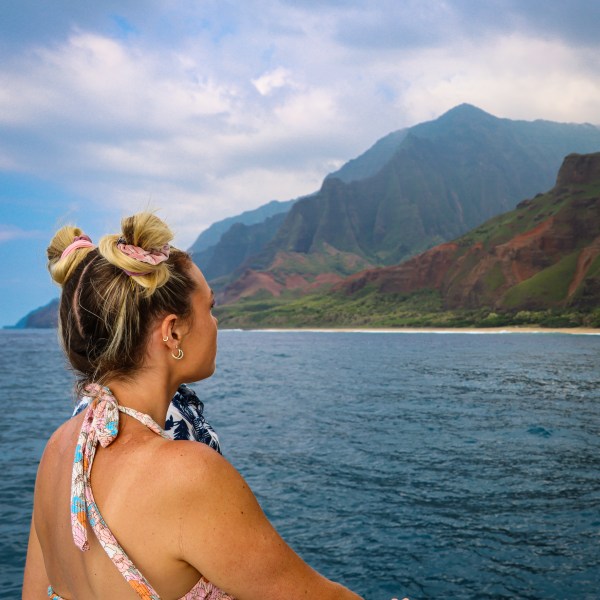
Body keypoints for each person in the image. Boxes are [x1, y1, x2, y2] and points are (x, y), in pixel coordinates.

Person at [22, 212, 363, 600]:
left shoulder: (58, 451)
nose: (216, 323)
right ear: (173, 331)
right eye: (210, 308)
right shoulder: (188, 474)